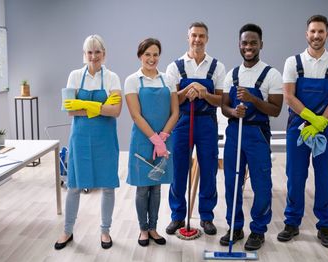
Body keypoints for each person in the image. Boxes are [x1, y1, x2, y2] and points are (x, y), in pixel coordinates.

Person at [277, 15, 328, 248]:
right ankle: (292, 223)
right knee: (295, 176)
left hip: (326, 128)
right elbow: (288, 96)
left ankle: (325, 226)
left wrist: (319, 123)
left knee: (325, 177)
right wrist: (309, 118)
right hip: (297, 128)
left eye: (320, 31)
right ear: (306, 34)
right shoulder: (292, 62)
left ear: (327, 34)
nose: (316, 35)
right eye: (312, 31)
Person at [55, 34, 122, 250]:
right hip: (80, 140)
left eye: (97, 52)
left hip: (105, 139)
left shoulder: (112, 77)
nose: (94, 56)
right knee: (74, 186)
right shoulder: (74, 76)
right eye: (89, 52)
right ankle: (67, 231)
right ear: (84, 55)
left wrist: (84, 105)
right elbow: (69, 110)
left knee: (108, 187)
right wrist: (100, 107)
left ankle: (105, 231)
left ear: (104, 54)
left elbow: (117, 111)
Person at [220, 23, 283, 251]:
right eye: (245, 43)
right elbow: (223, 106)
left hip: (257, 134)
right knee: (232, 183)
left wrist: (252, 99)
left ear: (261, 45)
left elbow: (275, 110)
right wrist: (233, 112)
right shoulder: (232, 74)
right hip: (234, 132)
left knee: (261, 183)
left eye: (253, 43)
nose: (249, 47)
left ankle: (258, 230)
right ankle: (235, 227)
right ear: (239, 44)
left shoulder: (272, 74)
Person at [165, 22, 226, 235]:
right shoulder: (175, 67)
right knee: (179, 168)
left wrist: (203, 93)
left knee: (209, 168)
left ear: (207, 39)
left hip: (207, 122)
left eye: (201, 36)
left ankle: (207, 216)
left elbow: (220, 101)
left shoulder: (217, 67)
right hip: (182, 121)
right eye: (194, 36)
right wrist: (187, 90)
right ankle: (177, 216)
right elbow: (172, 101)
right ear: (188, 37)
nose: (197, 40)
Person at [125, 38, 179, 247]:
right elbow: (135, 115)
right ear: (140, 56)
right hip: (142, 140)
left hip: (164, 140)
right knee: (142, 187)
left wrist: (164, 137)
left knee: (156, 187)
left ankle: (154, 228)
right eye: (147, 54)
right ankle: (143, 229)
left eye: (155, 54)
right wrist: (155, 139)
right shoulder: (132, 80)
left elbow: (175, 112)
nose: (152, 58)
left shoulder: (168, 80)